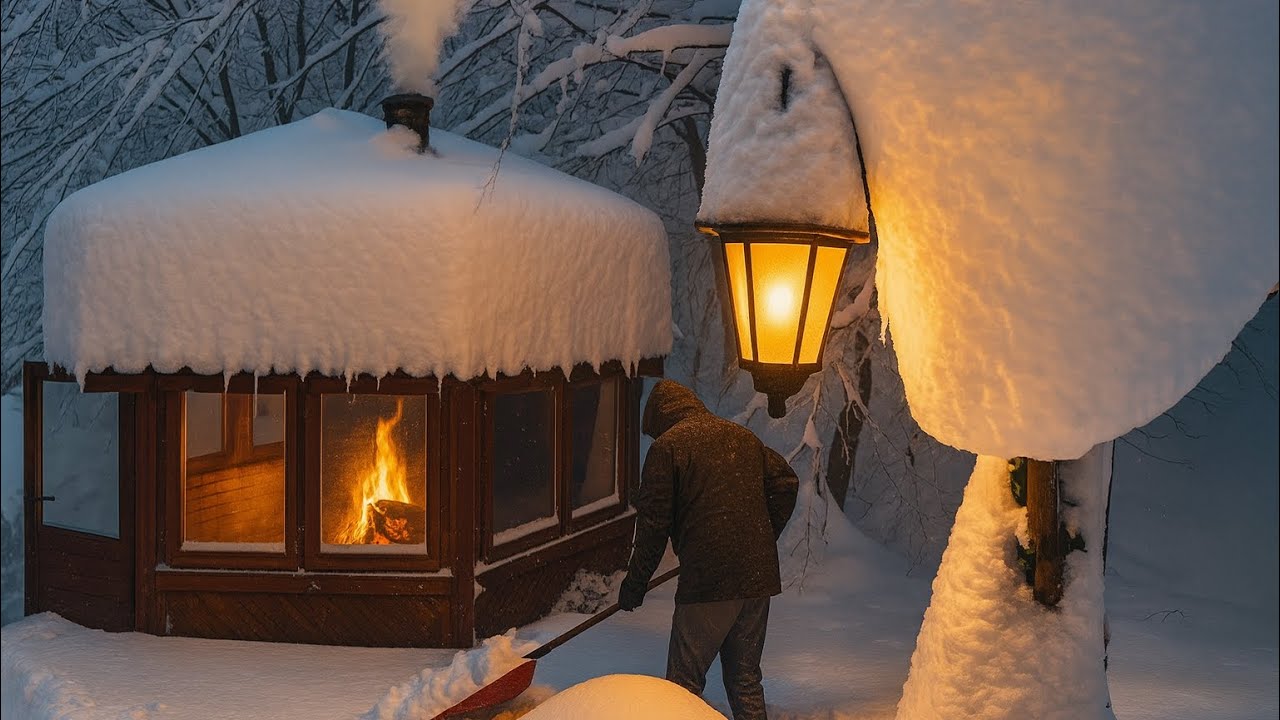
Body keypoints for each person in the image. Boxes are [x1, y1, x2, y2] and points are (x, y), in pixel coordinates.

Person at [619, 379, 799, 720]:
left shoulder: (669, 448)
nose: (655, 439)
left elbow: (653, 525)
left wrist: (636, 583)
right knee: (745, 679)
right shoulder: (740, 436)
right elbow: (786, 482)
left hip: (710, 581)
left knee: (681, 687)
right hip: (756, 578)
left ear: (660, 419)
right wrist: (757, 538)